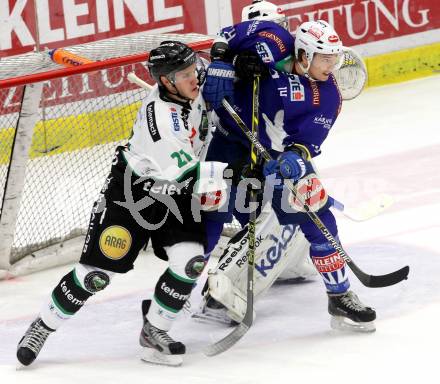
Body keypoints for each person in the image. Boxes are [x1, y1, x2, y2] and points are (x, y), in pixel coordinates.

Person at [16, 41, 229, 367]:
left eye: (193, 71)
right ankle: (42, 325)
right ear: (167, 81)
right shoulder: (160, 119)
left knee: (190, 261)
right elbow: (186, 174)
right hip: (135, 194)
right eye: (185, 75)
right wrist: (233, 177)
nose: (194, 79)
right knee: (97, 275)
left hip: (176, 190)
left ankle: (154, 332)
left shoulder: (190, 84)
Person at [202, 17, 377, 332]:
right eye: (326, 58)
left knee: (320, 220)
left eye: (335, 58)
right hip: (228, 143)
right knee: (210, 220)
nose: (332, 65)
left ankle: (339, 294)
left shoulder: (329, 96)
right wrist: (224, 63)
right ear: (305, 55)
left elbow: (305, 143)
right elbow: (225, 36)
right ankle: (184, 296)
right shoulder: (273, 36)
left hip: (274, 158)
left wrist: (295, 158)